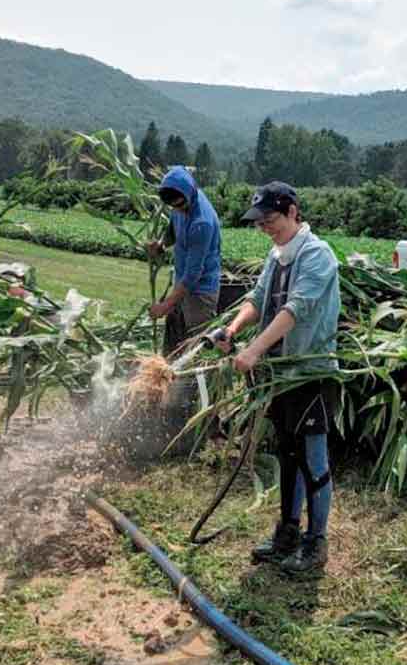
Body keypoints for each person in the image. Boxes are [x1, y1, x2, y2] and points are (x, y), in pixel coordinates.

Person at [214, 181, 340, 574]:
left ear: (291, 212)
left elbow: (296, 309)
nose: (264, 228)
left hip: (310, 373)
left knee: (312, 459)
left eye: (269, 220)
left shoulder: (317, 255)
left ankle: (315, 541)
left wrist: (254, 350)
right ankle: (287, 530)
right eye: (259, 223)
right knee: (287, 455)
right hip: (280, 376)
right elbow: (257, 298)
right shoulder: (279, 255)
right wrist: (233, 331)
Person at [146, 166, 222, 356]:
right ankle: (165, 379)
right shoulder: (179, 200)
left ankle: (197, 385)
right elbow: (173, 228)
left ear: (190, 193)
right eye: (174, 207)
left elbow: (192, 275)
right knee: (174, 342)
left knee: (197, 349)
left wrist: (165, 305)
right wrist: (162, 244)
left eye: (181, 206)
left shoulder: (201, 223)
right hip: (182, 284)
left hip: (200, 292)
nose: (179, 210)